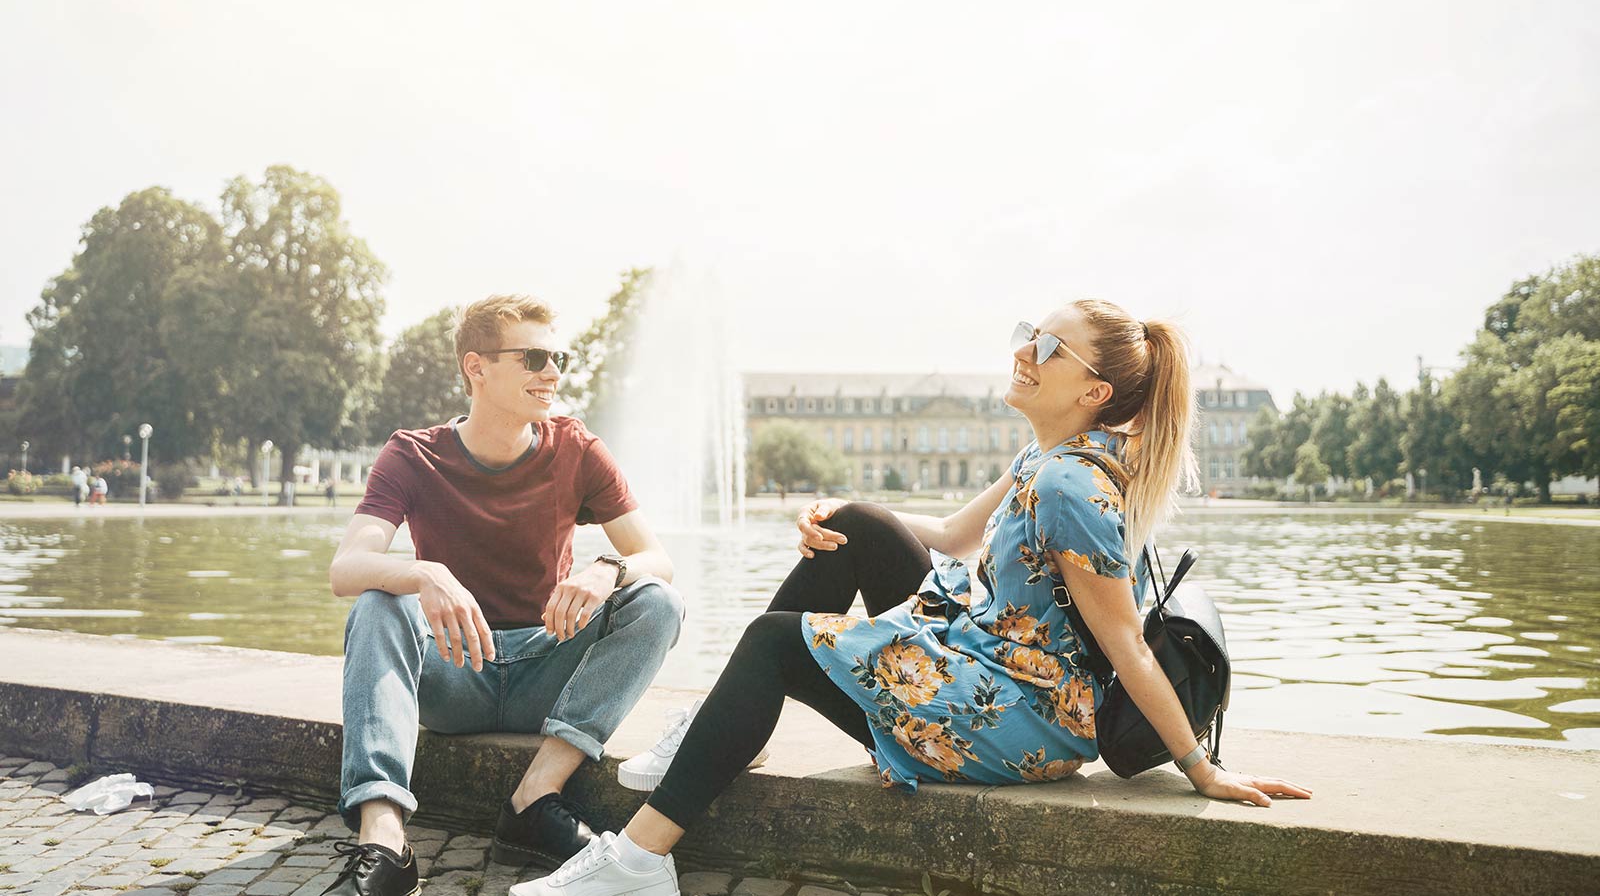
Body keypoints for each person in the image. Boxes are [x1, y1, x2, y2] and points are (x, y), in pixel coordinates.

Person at [512, 300, 1312, 896]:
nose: (1024, 350)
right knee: (859, 525)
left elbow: (1128, 644)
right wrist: (836, 513)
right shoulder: (1051, 455)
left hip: (1019, 717)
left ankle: (639, 860)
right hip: (990, 663)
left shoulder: (1070, 482)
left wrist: (1200, 768)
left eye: (1047, 345)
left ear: (1094, 391)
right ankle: (723, 724)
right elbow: (956, 536)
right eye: (1029, 333)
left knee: (772, 646)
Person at [322, 294, 685, 896]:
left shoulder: (577, 448)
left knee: (657, 601)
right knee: (378, 602)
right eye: (535, 357)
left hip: (550, 667)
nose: (553, 373)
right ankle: (383, 838)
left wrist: (607, 566)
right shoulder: (413, 454)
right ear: (477, 367)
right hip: (454, 674)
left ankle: (534, 800)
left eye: (557, 357)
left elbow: (659, 561)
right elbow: (347, 568)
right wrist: (423, 573)